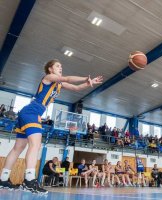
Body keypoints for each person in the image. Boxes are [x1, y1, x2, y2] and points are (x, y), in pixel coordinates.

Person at [0, 59, 103, 194]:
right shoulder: (48, 78)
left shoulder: (59, 85)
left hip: (28, 113)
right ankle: (29, 181)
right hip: (32, 111)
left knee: (17, 148)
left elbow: (76, 88)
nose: (61, 67)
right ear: (50, 69)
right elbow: (67, 78)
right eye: (58, 66)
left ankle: (3, 179)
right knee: (35, 145)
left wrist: (88, 83)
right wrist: (85, 77)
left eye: (61, 66)